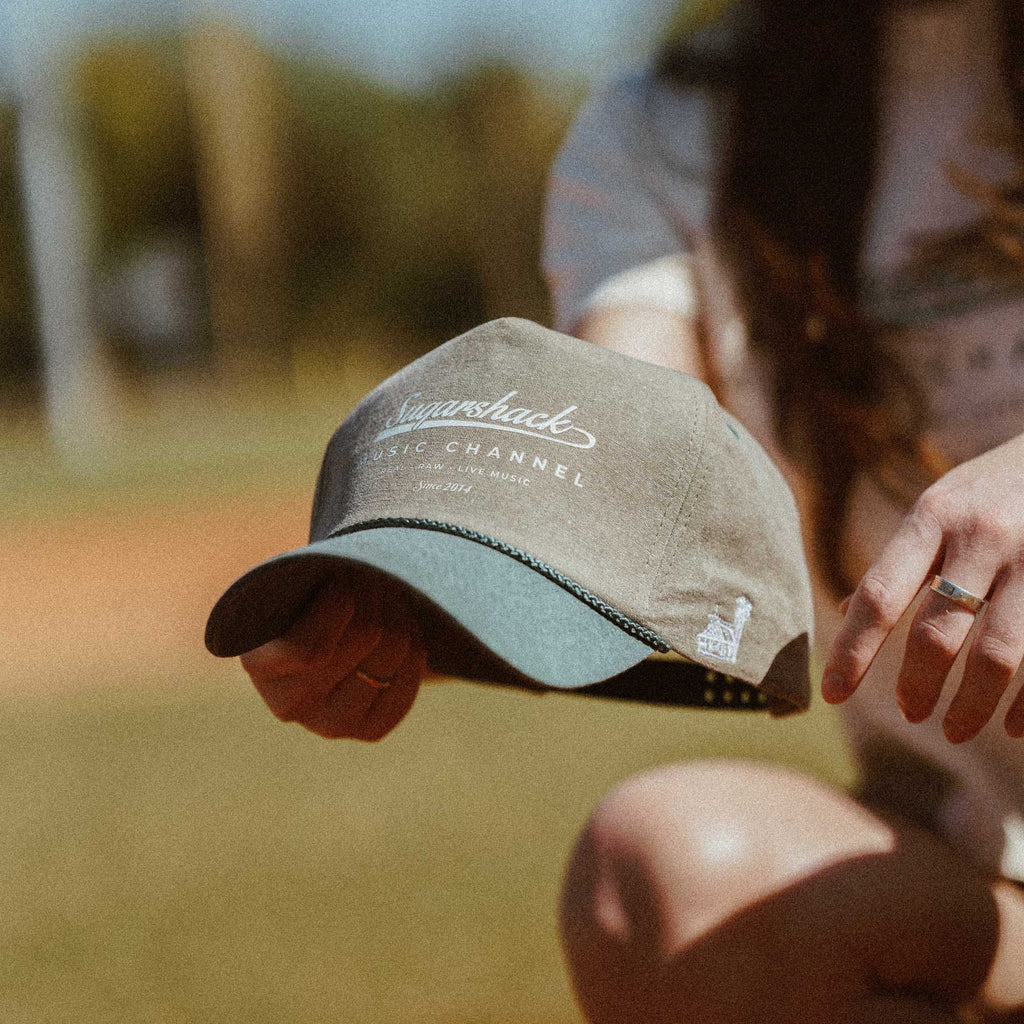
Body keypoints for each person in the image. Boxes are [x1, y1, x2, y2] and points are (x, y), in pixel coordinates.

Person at [540, 0, 1024, 1020]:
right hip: (978, 884)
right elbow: (630, 465)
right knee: (666, 875)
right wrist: (402, 573)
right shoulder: (667, 130)